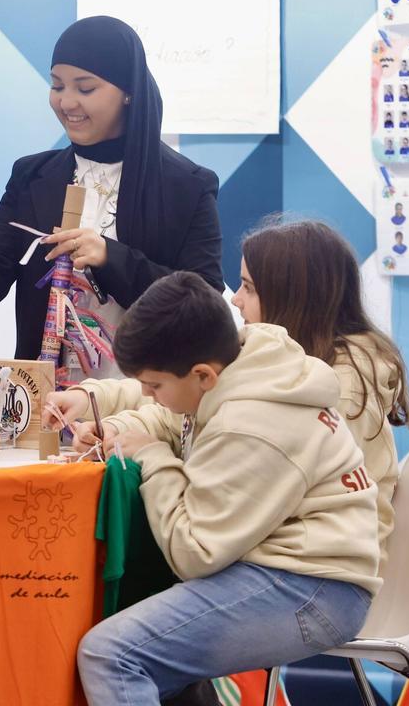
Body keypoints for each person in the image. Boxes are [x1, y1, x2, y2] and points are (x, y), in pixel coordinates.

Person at [65, 273, 380, 704]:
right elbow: (167, 422)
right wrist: (117, 429)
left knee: (112, 654)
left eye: (155, 386)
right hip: (290, 570)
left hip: (316, 591)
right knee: (147, 637)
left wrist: (153, 456)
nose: (148, 396)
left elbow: (194, 554)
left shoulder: (250, 425)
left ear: (202, 376)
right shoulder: (242, 369)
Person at [0, 16, 224, 374]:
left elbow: (204, 303)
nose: (67, 102)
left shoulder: (187, 185)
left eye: (85, 88)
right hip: (46, 406)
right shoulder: (34, 176)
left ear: (128, 91)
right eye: (57, 86)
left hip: (144, 405)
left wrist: (111, 257)